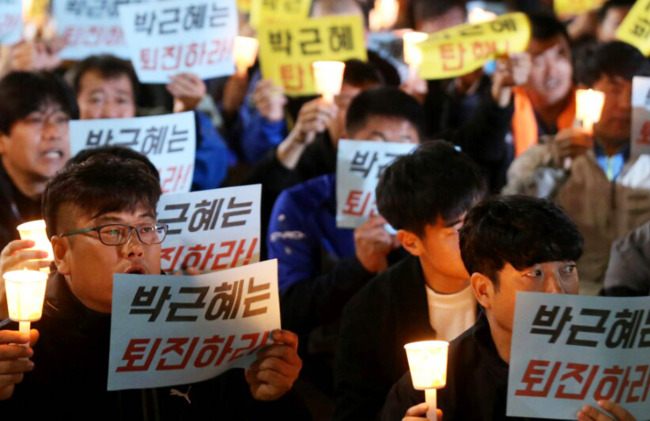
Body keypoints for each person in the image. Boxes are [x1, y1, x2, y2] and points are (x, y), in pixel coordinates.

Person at [0, 154, 305, 419]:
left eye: (146, 228)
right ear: (62, 253)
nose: (134, 248)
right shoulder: (18, 347)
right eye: (112, 231)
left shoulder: (214, 324)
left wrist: (271, 394)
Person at [380, 195, 635, 421]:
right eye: (534, 273)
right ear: (483, 290)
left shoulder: (620, 370)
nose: (557, 291)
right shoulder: (436, 386)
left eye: (568, 270)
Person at [333, 141, 486, 421]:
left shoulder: (514, 284)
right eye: (459, 230)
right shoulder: (370, 310)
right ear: (411, 242)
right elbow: (353, 410)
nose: (478, 237)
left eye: (481, 218)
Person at [503, 41, 650, 292]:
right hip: (574, 297)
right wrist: (554, 165)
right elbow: (510, 218)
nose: (626, 104)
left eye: (636, 92)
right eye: (614, 90)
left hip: (640, 298)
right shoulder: (546, 155)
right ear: (586, 93)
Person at [68, 54, 231, 192]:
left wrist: (187, 114)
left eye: (121, 100)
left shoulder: (159, 137)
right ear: (74, 103)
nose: (110, 112)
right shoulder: (57, 141)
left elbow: (209, 176)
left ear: (134, 105)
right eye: (97, 100)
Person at [0, 70, 75, 256]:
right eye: (36, 120)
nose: (53, 133)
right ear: (1, 139)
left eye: (61, 119)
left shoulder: (85, 197)